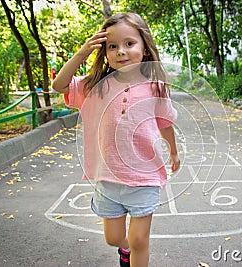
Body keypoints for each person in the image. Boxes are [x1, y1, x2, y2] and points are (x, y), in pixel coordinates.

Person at [52, 12, 180, 267]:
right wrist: (83, 53)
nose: (121, 51)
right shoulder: (94, 86)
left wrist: (173, 152)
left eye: (129, 43)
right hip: (107, 178)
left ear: (144, 49)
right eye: (112, 46)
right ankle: (125, 251)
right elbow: (59, 85)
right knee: (114, 238)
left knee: (139, 240)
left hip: (144, 176)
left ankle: (133, 253)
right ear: (104, 51)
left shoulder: (156, 87)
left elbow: (165, 123)